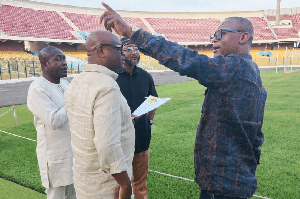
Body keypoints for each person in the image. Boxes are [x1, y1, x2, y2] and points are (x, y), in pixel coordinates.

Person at [100, 3, 267, 199]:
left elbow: (186, 59)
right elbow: (257, 138)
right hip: (233, 181)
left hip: (224, 186)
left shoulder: (236, 68)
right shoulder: (250, 71)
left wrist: (131, 32)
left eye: (221, 33)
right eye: (214, 34)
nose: (214, 39)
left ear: (243, 37)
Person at [64, 30, 135, 199]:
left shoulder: (76, 82)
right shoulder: (106, 86)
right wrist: (125, 184)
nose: (123, 55)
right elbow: (107, 145)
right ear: (101, 50)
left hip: (86, 182)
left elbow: (89, 126)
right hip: (108, 187)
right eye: (119, 49)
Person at [27, 46, 76, 199]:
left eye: (64, 59)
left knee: (76, 194)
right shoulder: (37, 88)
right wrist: (73, 101)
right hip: (55, 156)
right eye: (58, 59)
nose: (64, 63)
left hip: (73, 153)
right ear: (44, 64)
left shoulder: (65, 84)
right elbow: (53, 120)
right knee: (57, 195)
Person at [116, 37, 158, 199]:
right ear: (120, 53)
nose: (134, 52)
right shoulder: (114, 77)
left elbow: (153, 100)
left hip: (141, 137)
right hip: (119, 139)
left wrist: (149, 121)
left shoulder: (146, 76)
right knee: (119, 184)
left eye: (136, 49)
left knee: (140, 183)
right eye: (129, 49)